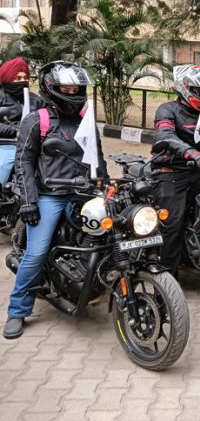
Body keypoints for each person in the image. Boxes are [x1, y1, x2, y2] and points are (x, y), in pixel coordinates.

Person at [3, 61, 107, 339]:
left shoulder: (86, 119)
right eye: (66, 88)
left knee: (110, 236)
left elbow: (98, 158)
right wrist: (28, 202)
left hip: (82, 195)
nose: (72, 92)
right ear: (52, 88)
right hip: (49, 196)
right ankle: (17, 310)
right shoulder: (37, 120)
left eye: (77, 88)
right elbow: (24, 163)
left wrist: (107, 188)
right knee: (36, 253)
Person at [152, 64, 200, 278]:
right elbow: (165, 136)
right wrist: (193, 153)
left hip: (197, 172)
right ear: (185, 88)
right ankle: (167, 278)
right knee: (174, 224)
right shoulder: (167, 109)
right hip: (170, 174)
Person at [0, 57, 44, 184]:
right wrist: (15, 130)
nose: (23, 81)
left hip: (34, 145)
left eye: (25, 78)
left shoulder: (36, 100)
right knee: (3, 165)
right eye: (18, 78)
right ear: (7, 78)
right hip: (8, 144)